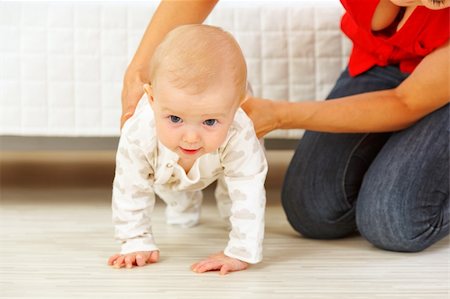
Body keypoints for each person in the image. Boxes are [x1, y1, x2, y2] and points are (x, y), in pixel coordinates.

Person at [121, 0, 449, 253]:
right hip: (383, 61)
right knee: (313, 212)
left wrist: (278, 114)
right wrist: (138, 70)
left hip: (434, 83)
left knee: (394, 221)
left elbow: (406, 102)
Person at [108, 24, 268, 275]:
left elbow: (248, 186)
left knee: (234, 191)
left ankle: (226, 213)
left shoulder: (239, 131)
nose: (191, 137)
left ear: (237, 106)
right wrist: (135, 240)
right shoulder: (140, 132)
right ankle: (184, 203)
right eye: (174, 118)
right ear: (151, 99)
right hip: (164, 164)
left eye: (209, 121)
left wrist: (240, 250)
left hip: (220, 159)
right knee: (168, 185)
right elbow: (131, 186)